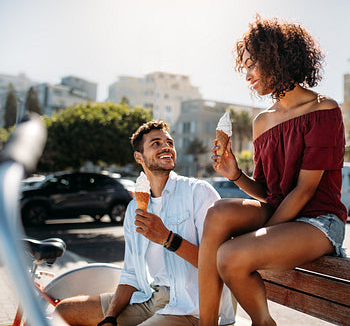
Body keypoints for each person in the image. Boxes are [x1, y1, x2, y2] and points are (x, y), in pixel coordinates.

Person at [198, 16, 347, 326]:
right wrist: (235, 175)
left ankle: (263, 323)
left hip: (318, 220)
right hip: (281, 213)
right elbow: (267, 191)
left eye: (254, 65)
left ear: (277, 59)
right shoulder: (261, 122)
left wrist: (255, 237)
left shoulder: (323, 109)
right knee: (217, 212)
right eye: (245, 68)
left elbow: (305, 190)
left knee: (230, 256)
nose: (248, 76)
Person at [56, 120, 235, 326]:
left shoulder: (198, 192)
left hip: (192, 307)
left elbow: (218, 265)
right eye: (156, 143)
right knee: (64, 311)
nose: (166, 147)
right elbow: (131, 273)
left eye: (169, 142)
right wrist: (110, 318)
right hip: (149, 297)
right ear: (138, 157)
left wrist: (168, 239)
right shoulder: (134, 208)